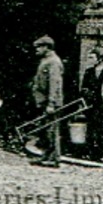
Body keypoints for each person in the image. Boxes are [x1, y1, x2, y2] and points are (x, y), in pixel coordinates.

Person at [29, 35, 64, 167]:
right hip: (43, 101)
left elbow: (54, 84)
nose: (36, 50)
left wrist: (51, 103)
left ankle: (53, 159)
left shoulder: (53, 62)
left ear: (47, 47)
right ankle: (46, 156)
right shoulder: (46, 60)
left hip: (50, 103)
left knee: (51, 130)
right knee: (45, 130)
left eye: (39, 47)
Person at [80, 48, 103, 159]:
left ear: (99, 59)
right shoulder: (88, 72)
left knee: (102, 129)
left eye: (92, 57)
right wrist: (87, 93)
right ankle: (90, 152)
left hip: (102, 104)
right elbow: (83, 88)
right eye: (89, 57)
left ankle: (102, 152)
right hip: (91, 104)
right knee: (91, 129)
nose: (90, 60)